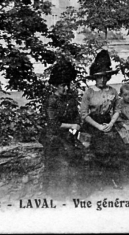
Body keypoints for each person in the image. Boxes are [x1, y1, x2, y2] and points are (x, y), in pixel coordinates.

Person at [78, 49, 129, 189]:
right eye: (99, 77)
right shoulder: (89, 92)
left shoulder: (112, 91)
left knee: (117, 145)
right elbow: (84, 114)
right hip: (92, 124)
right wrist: (99, 127)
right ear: (95, 78)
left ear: (108, 77)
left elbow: (117, 110)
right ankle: (100, 180)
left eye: (104, 77)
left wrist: (111, 123)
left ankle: (114, 178)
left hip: (108, 122)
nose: (101, 80)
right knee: (99, 146)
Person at [39, 60, 82, 196]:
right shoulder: (52, 100)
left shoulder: (71, 99)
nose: (66, 89)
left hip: (69, 135)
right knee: (61, 161)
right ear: (56, 86)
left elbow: (76, 117)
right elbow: (53, 123)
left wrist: (76, 127)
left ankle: (74, 190)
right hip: (53, 136)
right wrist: (71, 126)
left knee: (80, 154)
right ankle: (56, 193)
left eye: (68, 85)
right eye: (63, 85)